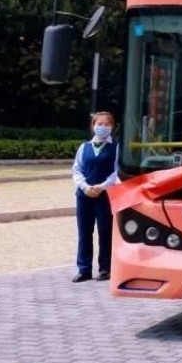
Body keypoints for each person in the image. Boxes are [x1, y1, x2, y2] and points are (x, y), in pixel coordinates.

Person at [71, 111, 120, 282]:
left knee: (105, 233)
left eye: (107, 124)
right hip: (84, 195)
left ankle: (105, 268)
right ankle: (84, 269)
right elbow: (77, 170)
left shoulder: (116, 147)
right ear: (93, 126)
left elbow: (117, 171)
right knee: (84, 233)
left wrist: (102, 186)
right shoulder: (84, 147)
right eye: (99, 124)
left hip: (105, 196)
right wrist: (85, 187)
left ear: (112, 127)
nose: (103, 127)